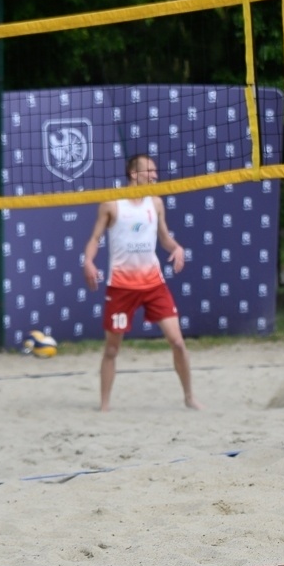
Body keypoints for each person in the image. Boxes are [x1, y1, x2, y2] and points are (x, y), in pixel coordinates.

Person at [81, 153, 199, 412]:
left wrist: (177, 248)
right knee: (112, 350)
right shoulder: (112, 204)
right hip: (121, 287)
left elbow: (164, 238)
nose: (155, 175)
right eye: (150, 171)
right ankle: (104, 405)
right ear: (134, 174)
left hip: (154, 284)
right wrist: (88, 261)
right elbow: (95, 238)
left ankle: (189, 397)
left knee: (178, 342)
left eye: (155, 171)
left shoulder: (155, 203)